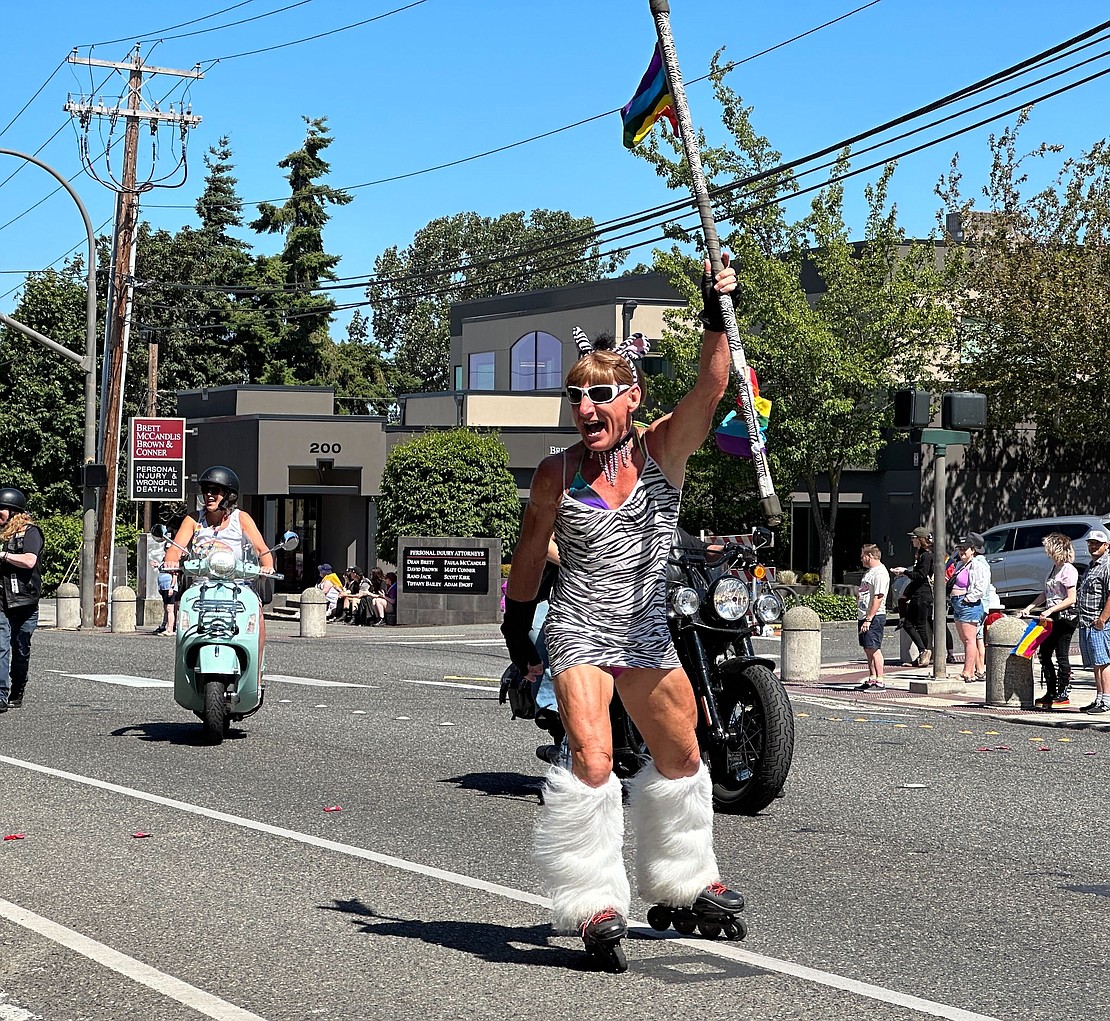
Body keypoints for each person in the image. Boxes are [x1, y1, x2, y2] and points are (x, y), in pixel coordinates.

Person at [501, 256, 743, 967]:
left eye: (600, 395)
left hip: (643, 627)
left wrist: (714, 305)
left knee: (684, 754)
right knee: (595, 756)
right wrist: (521, 629)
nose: (586, 410)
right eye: (576, 397)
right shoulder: (556, 471)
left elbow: (713, 385)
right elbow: (528, 552)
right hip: (577, 624)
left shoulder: (665, 449)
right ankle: (595, 900)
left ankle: (686, 880)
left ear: (631, 398)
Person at [163, 466, 274, 652]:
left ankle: (256, 674)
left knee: (258, 615)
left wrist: (267, 566)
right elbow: (176, 548)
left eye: (215, 490)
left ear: (229, 495)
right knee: (184, 614)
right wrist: (171, 561)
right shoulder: (193, 519)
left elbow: (262, 549)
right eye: (206, 490)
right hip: (201, 584)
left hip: (238, 584)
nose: (209, 495)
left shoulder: (241, 518)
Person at [1025, 532, 1080, 709]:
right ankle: (1051, 691)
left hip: (1065, 617)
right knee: (1044, 653)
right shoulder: (1054, 568)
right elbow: (1046, 593)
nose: (1046, 551)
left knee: (1061, 654)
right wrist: (1031, 607)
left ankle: (1063, 692)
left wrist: (1050, 610)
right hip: (1051, 617)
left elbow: (1071, 598)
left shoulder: (1069, 570)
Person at [0, 487, 43, 712]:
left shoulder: (30, 533)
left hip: (24, 601)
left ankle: (18, 687)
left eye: (2, 509)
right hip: (1, 600)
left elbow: (29, 561)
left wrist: (4, 555)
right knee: (0, 646)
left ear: (13, 511)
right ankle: (0, 694)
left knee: (20, 648)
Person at [1075, 528, 1110, 714]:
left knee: (1103, 661)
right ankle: (1098, 698)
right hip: (1087, 621)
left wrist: (1103, 619)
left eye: (1097, 543)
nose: (1093, 546)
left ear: (1107, 546)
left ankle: (1106, 700)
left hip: (1099, 623)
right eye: (1091, 543)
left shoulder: (1107, 565)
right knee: (1095, 663)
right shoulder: (1092, 565)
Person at [949, 532, 990, 683]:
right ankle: (971, 671)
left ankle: (967, 672)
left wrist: (968, 599)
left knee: (970, 639)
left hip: (969, 605)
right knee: (964, 638)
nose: (961, 552)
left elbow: (981, 587)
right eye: (959, 549)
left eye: (965, 549)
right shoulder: (960, 564)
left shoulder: (978, 566)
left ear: (973, 550)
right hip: (957, 603)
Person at [891, 526, 934, 667]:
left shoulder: (926, 555)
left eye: (914, 537)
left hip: (923, 594)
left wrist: (905, 572)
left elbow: (921, 576)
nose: (912, 540)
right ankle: (923, 652)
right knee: (910, 624)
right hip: (918, 593)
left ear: (920, 539)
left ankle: (924, 652)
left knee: (918, 624)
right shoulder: (920, 554)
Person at [855, 544, 890, 691]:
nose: (861, 560)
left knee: (874, 648)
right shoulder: (870, 572)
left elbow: (878, 596)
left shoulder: (880, 573)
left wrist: (869, 618)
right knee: (867, 648)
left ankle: (880, 680)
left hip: (874, 616)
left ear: (869, 556)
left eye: (863, 556)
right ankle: (872, 677)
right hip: (863, 614)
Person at [154, 562, 179, 635]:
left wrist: (172, 587)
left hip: (169, 588)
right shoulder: (164, 562)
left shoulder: (173, 562)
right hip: (164, 588)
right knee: (166, 608)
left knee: (169, 609)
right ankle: (166, 627)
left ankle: (170, 629)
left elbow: (175, 575)